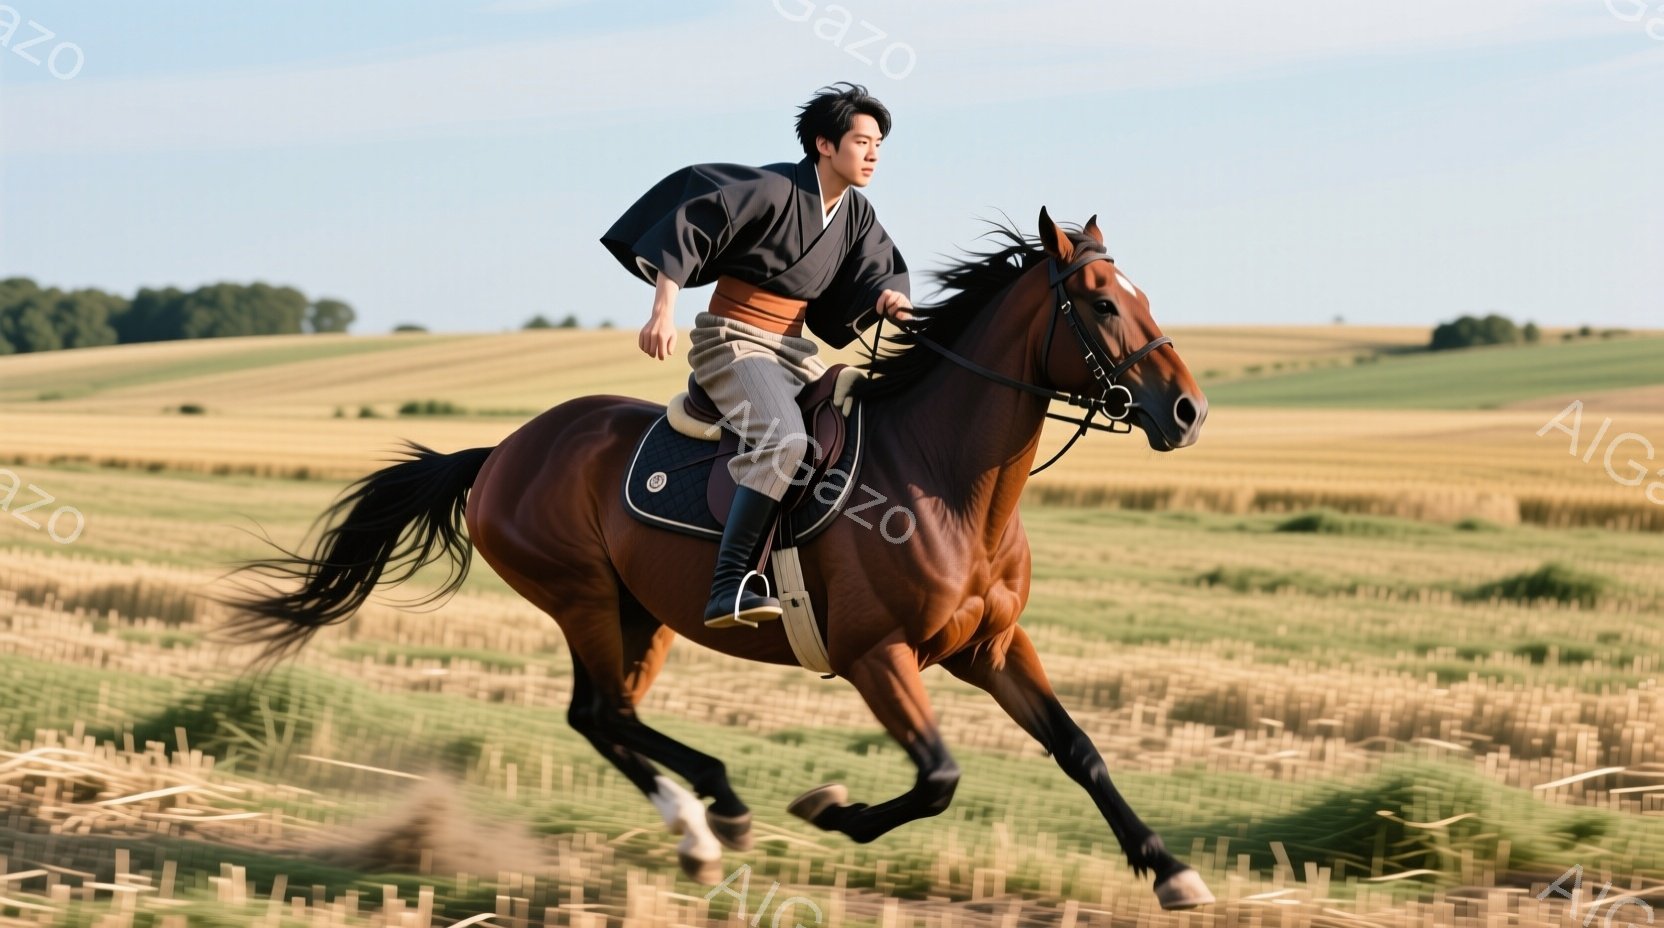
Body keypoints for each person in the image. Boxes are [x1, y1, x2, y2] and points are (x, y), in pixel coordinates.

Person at [600, 81, 914, 628]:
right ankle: (730, 585)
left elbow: (879, 269)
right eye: (862, 142)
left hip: (794, 350)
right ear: (824, 143)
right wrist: (662, 310)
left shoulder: (856, 214)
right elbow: (693, 220)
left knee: (861, 429)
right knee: (785, 438)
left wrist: (891, 296)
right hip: (734, 340)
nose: (873, 155)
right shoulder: (769, 188)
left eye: (879, 146)